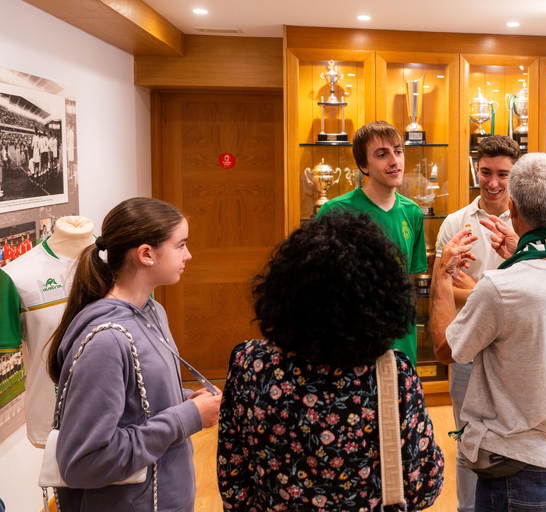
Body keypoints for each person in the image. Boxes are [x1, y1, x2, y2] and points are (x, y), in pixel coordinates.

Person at [217, 212, 444, 511]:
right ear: (380, 298)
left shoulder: (250, 362)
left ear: (284, 289)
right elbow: (423, 486)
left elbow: (233, 480)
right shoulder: (393, 373)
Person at [431, 153, 546, 512]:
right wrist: (519, 254)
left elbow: (446, 350)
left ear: (512, 207)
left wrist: (442, 276)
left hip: (519, 465)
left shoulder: (499, 287)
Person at [46, 197, 222, 511]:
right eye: (180, 245)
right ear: (146, 254)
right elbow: (84, 462)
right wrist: (185, 418)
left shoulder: (152, 312)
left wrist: (184, 399)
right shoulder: (107, 340)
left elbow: (135, 403)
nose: (189, 254)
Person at [433, 135, 520, 512]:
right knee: (467, 440)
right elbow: (444, 288)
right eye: (486, 172)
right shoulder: (455, 223)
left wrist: (475, 290)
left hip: (513, 351)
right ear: (476, 170)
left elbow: (528, 293)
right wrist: (484, 292)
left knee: (512, 439)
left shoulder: (525, 223)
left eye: (503, 174)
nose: (494, 182)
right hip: (467, 349)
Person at [316, 120, 427, 364]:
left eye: (398, 151)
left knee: (400, 398)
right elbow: (319, 284)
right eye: (382, 154)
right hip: (353, 334)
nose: (394, 161)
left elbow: (409, 278)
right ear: (363, 165)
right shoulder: (335, 211)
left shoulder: (413, 212)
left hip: (401, 332)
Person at [0, 216, 95, 448]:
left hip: (125, 404)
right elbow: (9, 344)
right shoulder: (14, 275)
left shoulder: (125, 262)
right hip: (54, 415)